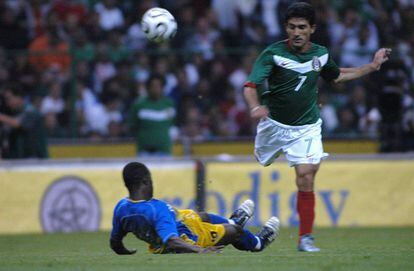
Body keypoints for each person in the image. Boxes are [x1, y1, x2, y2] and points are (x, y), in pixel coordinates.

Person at [243, 2, 391, 252]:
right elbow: (250, 86)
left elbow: (337, 75)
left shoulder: (320, 54)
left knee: (306, 175)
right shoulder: (273, 53)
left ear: (312, 28)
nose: (296, 32)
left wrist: (371, 67)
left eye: (302, 27)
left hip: (307, 126)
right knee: (262, 160)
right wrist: (254, 107)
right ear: (285, 28)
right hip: (274, 126)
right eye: (291, 27)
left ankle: (306, 238)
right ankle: (305, 235)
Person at [110, 162, 280, 254]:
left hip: (181, 220)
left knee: (202, 215)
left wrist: (123, 251)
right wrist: (200, 250)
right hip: (188, 237)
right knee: (235, 232)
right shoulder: (156, 210)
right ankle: (258, 242)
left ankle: (233, 219)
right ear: (146, 182)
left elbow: (115, 241)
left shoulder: (121, 208)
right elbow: (172, 240)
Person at [128, 74, 176, 156]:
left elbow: (172, 123)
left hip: (164, 151)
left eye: (158, 86)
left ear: (163, 88)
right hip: (144, 152)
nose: (155, 89)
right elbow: (133, 126)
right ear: (148, 88)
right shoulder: (139, 105)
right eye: (153, 86)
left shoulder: (169, 104)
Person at [0, 85, 48, 159]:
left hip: (36, 160)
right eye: (5, 99)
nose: (7, 102)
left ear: (19, 97)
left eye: (8, 99)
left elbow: (18, 123)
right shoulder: (11, 114)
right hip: (17, 159)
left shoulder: (31, 111)